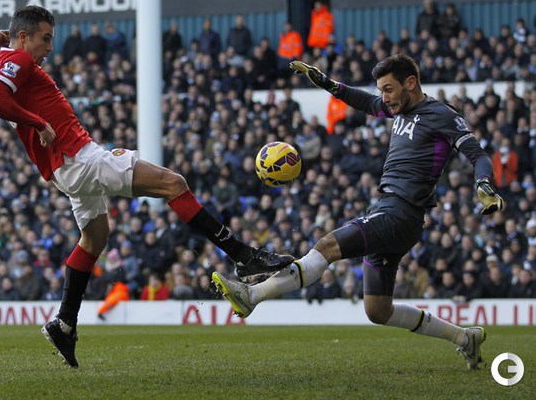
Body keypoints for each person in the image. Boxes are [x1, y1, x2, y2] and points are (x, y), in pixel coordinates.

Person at [0, 5, 293, 368]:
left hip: (67, 167)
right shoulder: (20, 59)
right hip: (79, 158)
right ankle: (244, 256)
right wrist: (38, 122)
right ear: (22, 37)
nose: (50, 47)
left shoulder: (7, 63)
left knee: (95, 239)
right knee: (174, 184)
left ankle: (64, 324)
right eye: (45, 39)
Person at [212, 54, 504, 370]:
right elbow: (366, 102)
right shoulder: (399, 108)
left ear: (411, 83)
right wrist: (329, 84)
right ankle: (465, 337)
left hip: (400, 212)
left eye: (389, 89)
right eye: (382, 90)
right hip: (393, 213)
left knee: (326, 247)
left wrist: (484, 184)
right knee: (378, 310)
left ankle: (251, 296)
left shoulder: (441, 115)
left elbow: (478, 155)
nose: (385, 98)